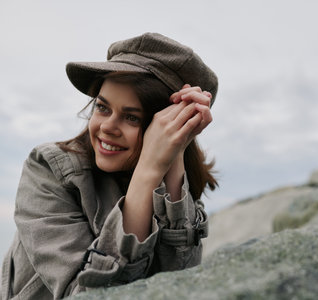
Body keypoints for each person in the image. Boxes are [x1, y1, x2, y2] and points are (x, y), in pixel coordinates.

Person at [1, 32, 218, 299]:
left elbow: (178, 285)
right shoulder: (48, 170)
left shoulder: (180, 189)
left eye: (131, 117)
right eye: (102, 107)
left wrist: (173, 158)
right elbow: (84, 294)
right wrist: (148, 171)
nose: (107, 127)